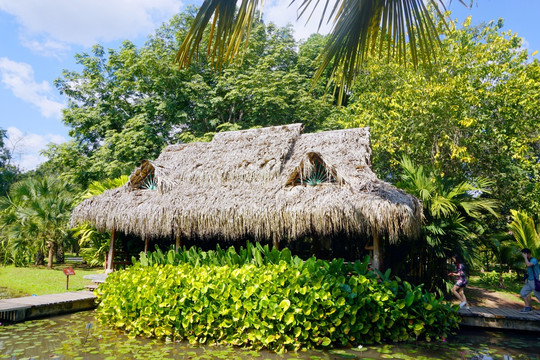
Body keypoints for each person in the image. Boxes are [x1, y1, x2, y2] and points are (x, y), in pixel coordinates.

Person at [519, 248, 540, 313]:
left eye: (524, 254)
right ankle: (527, 307)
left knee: (538, 296)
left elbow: (529, 265)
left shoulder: (534, 260)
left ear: (527, 254)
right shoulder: (527, 260)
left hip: (535, 281)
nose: (523, 256)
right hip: (529, 281)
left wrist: (525, 257)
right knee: (523, 293)